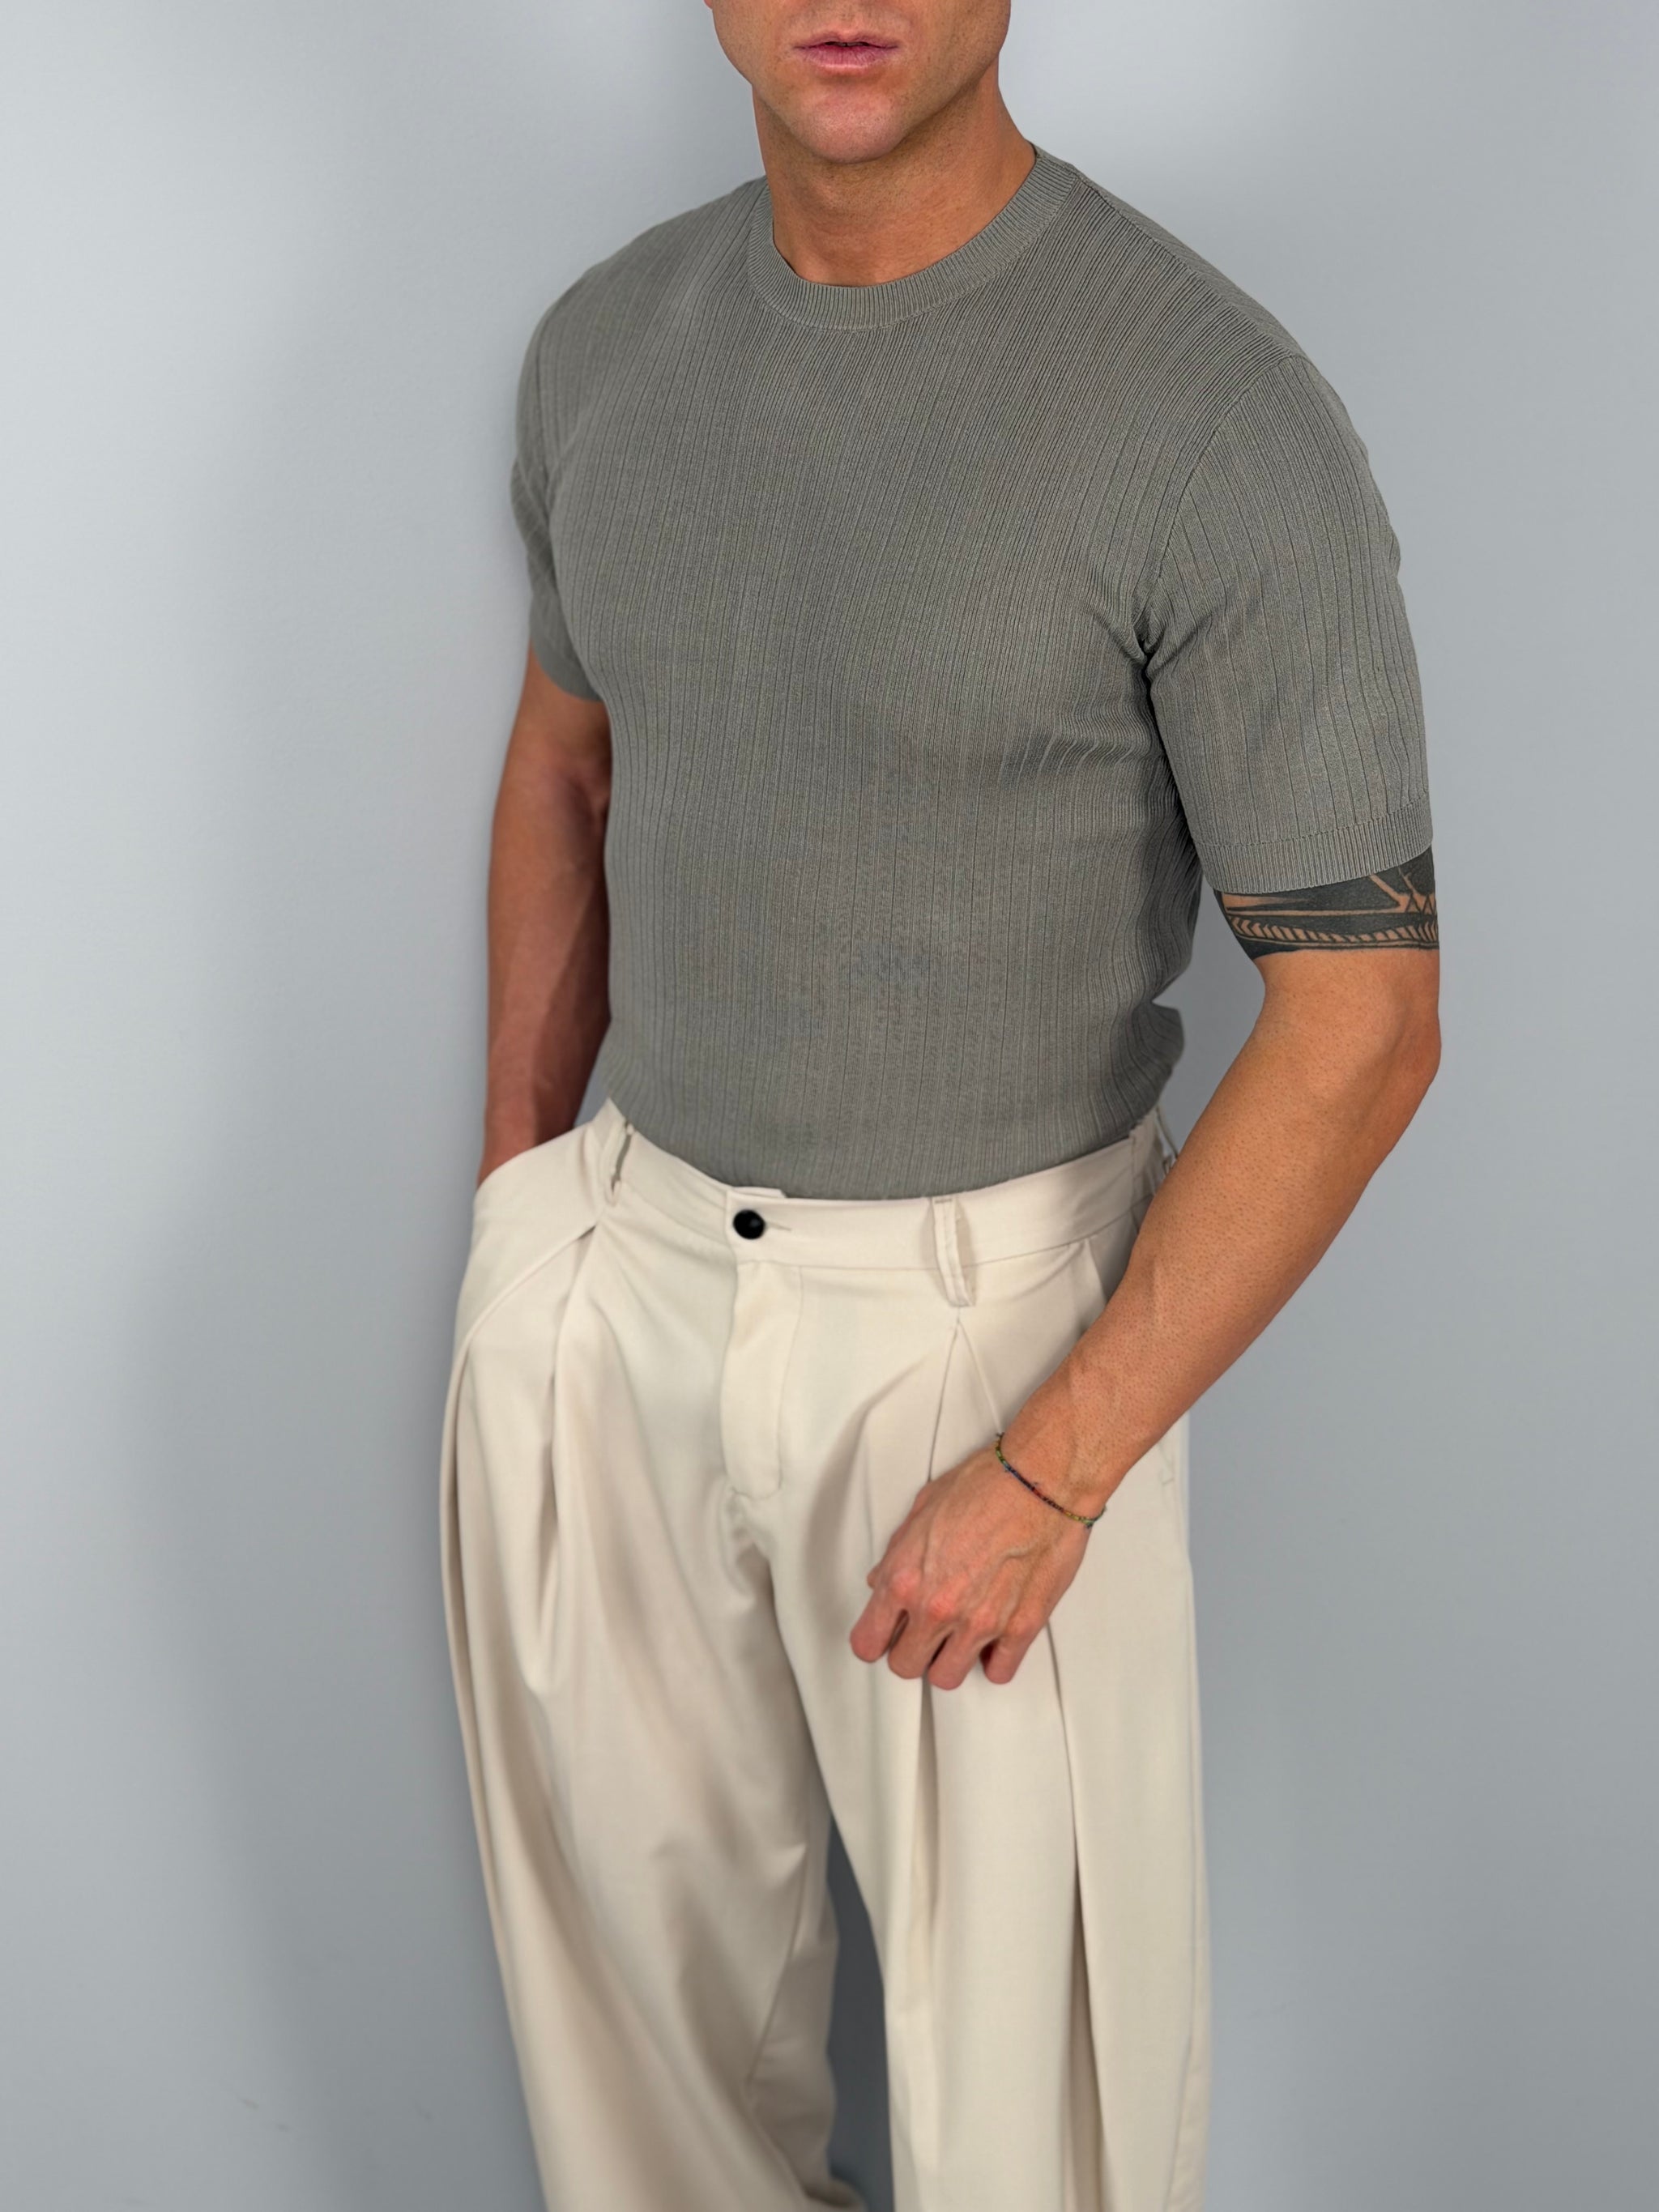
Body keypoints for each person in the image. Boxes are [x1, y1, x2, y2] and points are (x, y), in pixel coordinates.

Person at [437, 4, 1440, 2209]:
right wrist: (529, 1214)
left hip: (993, 1340)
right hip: (623, 1290)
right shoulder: (608, 347)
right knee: (641, 2128)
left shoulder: (1208, 408)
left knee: (1035, 2142)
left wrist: (1059, 1465)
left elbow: (1364, 1018)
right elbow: (572, 759)